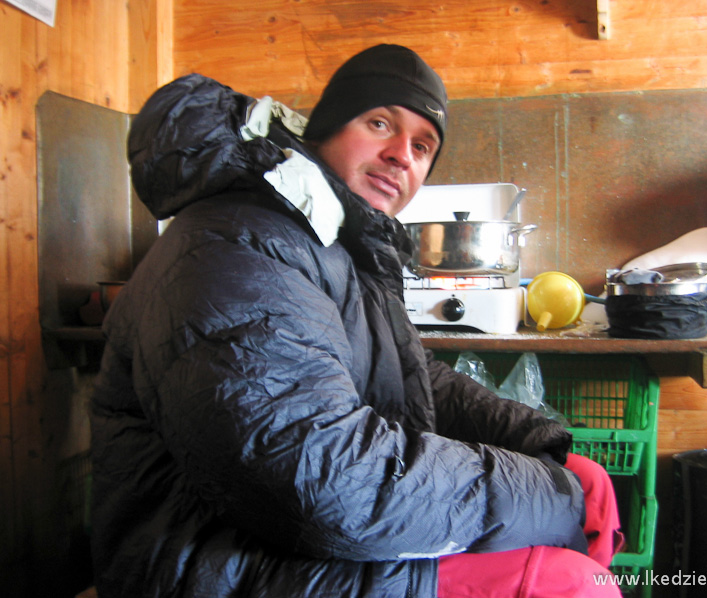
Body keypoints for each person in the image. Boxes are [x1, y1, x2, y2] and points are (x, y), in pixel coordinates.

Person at [90, 44, 623, 597]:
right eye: (379, 123)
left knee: (589, 485)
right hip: (203, 562)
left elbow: (406, 376)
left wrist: (535, 443)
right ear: (324, 131)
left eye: (423, 145)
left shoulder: (328, 241)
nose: (402, 155)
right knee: (569, 584)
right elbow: (319, 477)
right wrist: (543, 493)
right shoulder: (237, 242)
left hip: (274, 539)